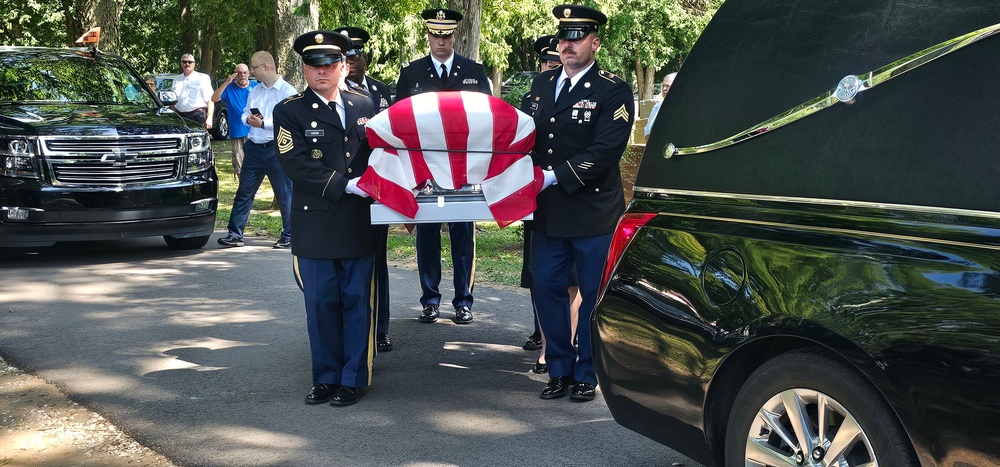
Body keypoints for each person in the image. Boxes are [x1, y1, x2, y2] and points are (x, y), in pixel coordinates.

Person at [525, 4, 635, 401]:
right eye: (563, 37)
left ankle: (587, 372)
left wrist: (553, 176)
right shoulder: (542, 84)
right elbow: (521, 138)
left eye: (576, 38)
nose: (567, 45)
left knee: (592, 294)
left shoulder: (613, 89)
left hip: (592, 213)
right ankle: (559, 368)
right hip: (548, 212)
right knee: (547, 289)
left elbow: (606, 149)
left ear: (595, 42)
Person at [274, 31, 377, 407]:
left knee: (355, 301)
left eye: (330, 64)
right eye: (314, 65)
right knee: (320, 305)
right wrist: (347, 186)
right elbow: (296, 165)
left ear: (344, 66)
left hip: (357, 221)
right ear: (304, 69)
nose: (322, 71)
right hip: (316, 222)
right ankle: (326, 377)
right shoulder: (290, 110)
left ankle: (353, 378)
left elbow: (379, 156)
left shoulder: (364, 103)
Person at [394, 8, 492, 325]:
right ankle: (430, 300)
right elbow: (400, 122)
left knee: (463, 236)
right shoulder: (411, 74)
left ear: (454, 36)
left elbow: (486, 120)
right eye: (435, 35)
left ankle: (464, 301)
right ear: (428, 36)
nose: (440, 40)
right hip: (426, 168)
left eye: (446, 34)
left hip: (463, 169)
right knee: (427, 236)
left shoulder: (474, 71)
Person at [519, 34, 582, 375]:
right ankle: (548, 347)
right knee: (544, 280)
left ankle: (570, 344)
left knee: (574, 281)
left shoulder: (595, 91)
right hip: (540, 201)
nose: (551, 65)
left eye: (554, 61)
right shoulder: (535, 94)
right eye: (546, 61)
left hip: (576, 198)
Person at [334, 26, 395, 352]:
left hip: (375, 192)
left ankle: (380, 327)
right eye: (346, 56)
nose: (352, 61)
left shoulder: (379, 92)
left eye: (356, 54)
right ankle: (348, 331)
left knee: (376, 261)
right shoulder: (325, 91)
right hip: (340, 193)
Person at [217, 51, 296, 249]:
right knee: (244, 191)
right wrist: (248, 120)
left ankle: (290, 235)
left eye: (254, 68)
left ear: (266, 67)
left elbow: (290, 122)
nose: (251, 72)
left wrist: (264, 124)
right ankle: (235, 234)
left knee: (285, 193)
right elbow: (245, 112)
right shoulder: (256, 90)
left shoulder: (288, 91)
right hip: (253, 147)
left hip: (276, 148)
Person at [211, 63, 257, 178]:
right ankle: (243, 189)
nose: (242, 75)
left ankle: (252, 189)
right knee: (239, 160)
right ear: (236, 74)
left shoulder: (256, 86)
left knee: (254, 161)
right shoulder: (229, 88)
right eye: (239, 73)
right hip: (237, 130)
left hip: (254, 130)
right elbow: (214, 98)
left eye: (245, 72)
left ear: (249, 73)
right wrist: (226, 82)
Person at [170, 53, 214, 130]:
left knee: (197, 140)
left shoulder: (202, 78)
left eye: (189, 62)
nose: (187, 64)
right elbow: (173, 101)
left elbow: (210, 100)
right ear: (181, 64)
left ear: (194, 64)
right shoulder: (176, 79)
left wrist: (209, 117)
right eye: (184, 62)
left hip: (197, 116)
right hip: (179, 116)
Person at [643, 72, 676, 141]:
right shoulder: (657, 107)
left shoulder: (684, 108)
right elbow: (647, 129)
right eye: (663, 85)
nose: (664, 88)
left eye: (668, 86)